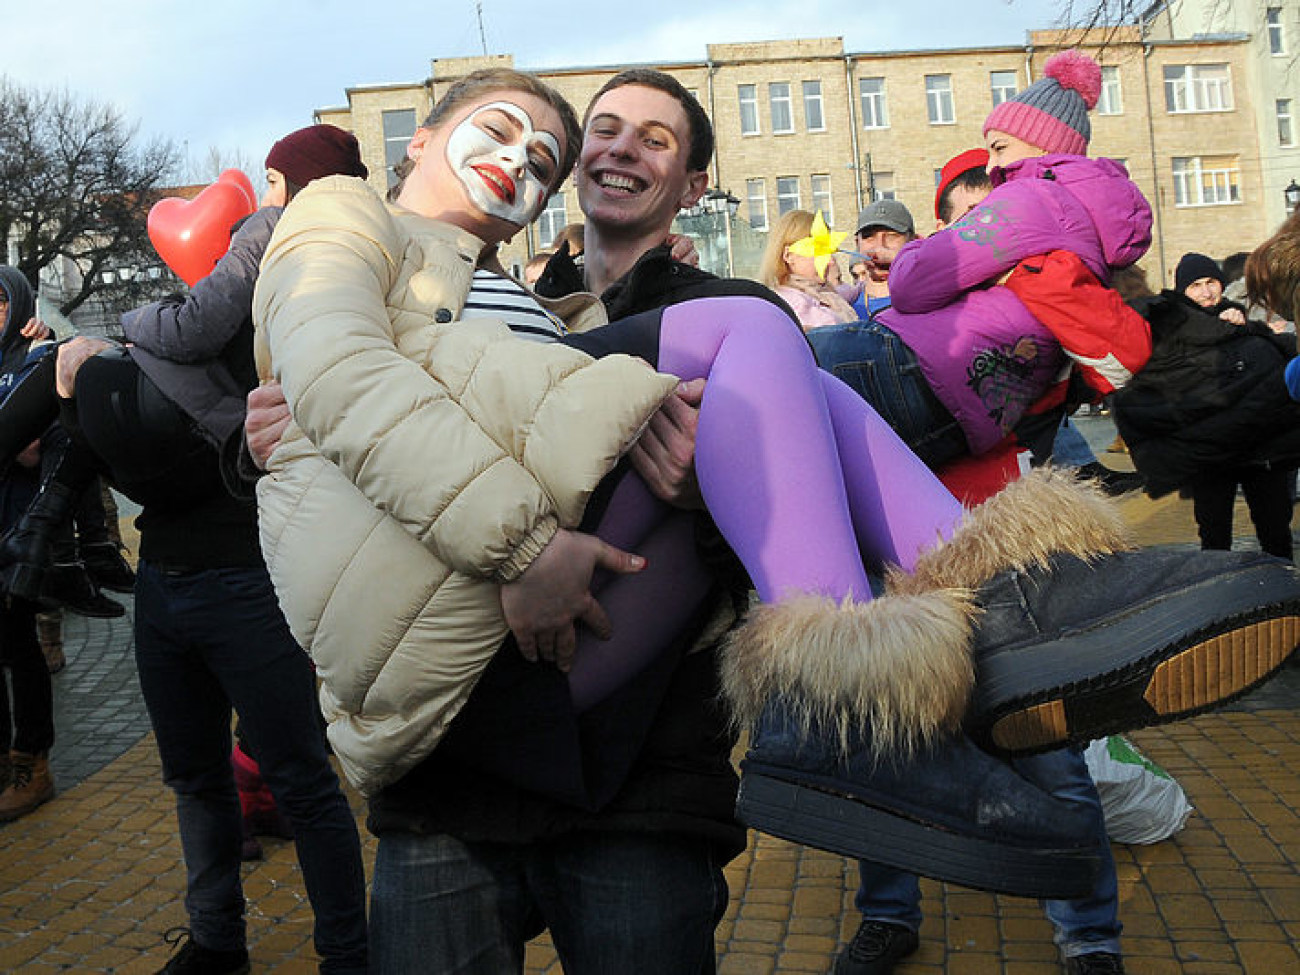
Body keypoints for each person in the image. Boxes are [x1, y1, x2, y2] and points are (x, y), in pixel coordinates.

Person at [0, 125, 373, 974]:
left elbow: (198, 327)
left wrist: (126, 336)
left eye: (276, 181)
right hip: (169, 572)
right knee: (197, 777)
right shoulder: (266, 257)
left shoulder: (299, 255)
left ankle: (345, 952)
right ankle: (217, 941)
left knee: (300, 778)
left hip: (246, 570)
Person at [831, 153, 1128, 975]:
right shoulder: (907, 307)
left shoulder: (1035, 292)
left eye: (992, 203)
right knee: (882, 736)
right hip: (898, 544)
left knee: (1045, 743)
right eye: (964, 209)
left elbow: (1096, 364)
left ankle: (1090, 934)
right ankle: (888, 913)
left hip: (997, 536)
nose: (980, 220)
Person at [1112, 253, 1298, 562]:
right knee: (1214, 532)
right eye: (1196, 285)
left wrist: (1253, 331)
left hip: (1260, 451)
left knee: (1275, 529)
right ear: (1183, 290)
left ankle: (1285, 592)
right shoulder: (1170, 326)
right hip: (1211, 455)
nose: (1206, 292)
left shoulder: (1244, 321)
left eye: (1211, 282)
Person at [0, 266, 57, 821]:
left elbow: (32, 450)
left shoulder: (36, 359)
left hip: (17, 533)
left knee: (21, 651)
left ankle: (32, 763)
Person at [758, 209, 858, 330]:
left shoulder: (823, 293)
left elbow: (850, 291)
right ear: (788, 256)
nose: (831, 261)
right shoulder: (795, 304)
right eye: (819, 252)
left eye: (829, 252)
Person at [848, 199, 916, 318]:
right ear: (857, 243)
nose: (879, 246)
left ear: (913, 241)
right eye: (868, 236)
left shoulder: (927, 303)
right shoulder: (842, 307)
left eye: (892, 236)